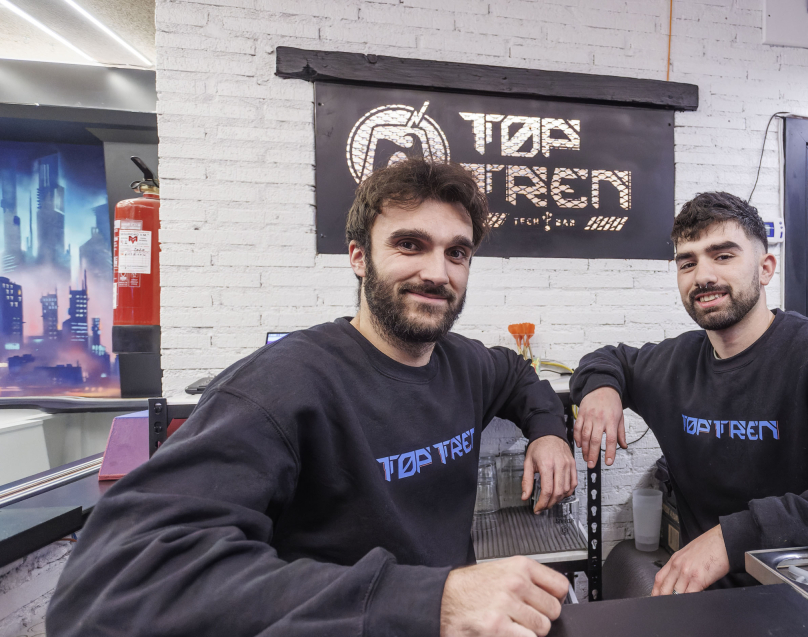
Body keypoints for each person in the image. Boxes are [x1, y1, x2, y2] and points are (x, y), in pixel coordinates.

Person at [47, 158, 578, 637]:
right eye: (410, 244)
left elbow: (517, 374)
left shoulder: (465, 365)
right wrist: (433, 601)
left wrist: (549, 431)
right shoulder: (281, 386)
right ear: (358, 257)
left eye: (456, 253)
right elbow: (108, 585)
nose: (437, 273)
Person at [570, 191, 808, 596]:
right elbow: (607, 359)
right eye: (688, 262)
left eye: (723, 256)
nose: (702, 275)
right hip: (707, 604)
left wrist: (733, 536)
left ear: (766, 268)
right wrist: (600, 390)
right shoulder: (675, 363)